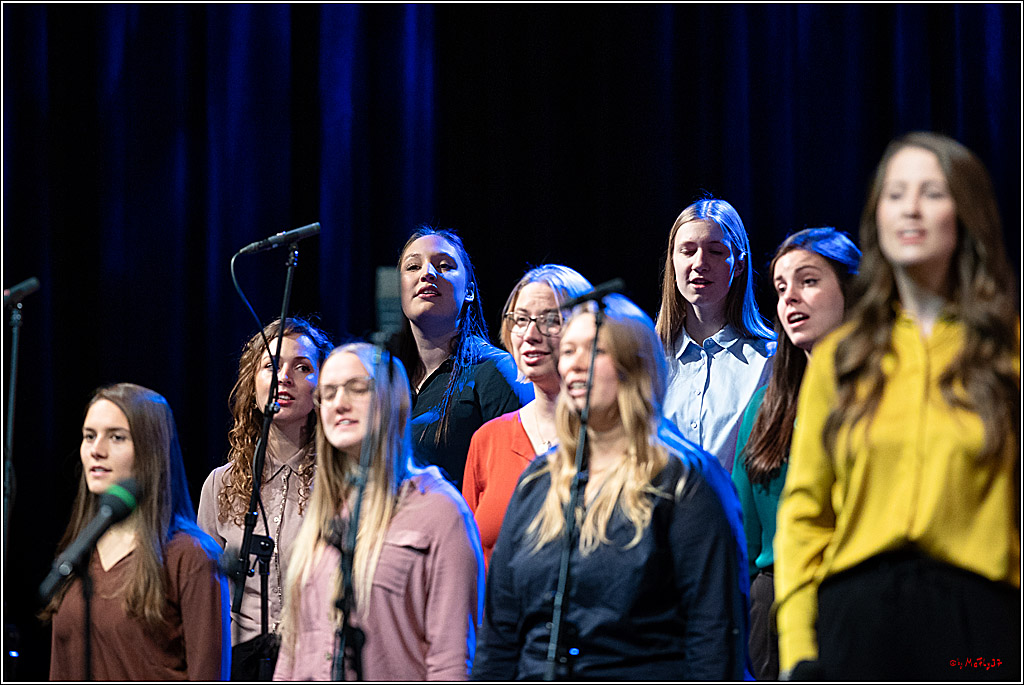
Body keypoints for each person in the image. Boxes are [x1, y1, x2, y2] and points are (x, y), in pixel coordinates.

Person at [775, 132, 1020, 681]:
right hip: (856, 624)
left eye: (931, 192)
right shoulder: (843, 358)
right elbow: (804, 514)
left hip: (977, 630)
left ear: (966, 211)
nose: (910, 207)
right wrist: (797, 647)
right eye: (895, 193)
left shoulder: (1008, 351)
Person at [473, 295, 749, 680]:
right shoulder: (538, 483)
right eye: (568, 350)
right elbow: (499, 634)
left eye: (594, 350)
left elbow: (714, 636)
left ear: (634, 365)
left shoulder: (684, 481)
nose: (574, 364)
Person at [273, 343, 484, 681]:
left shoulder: (440, 512)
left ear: (392, 399)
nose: (340, 403)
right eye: (327, 394)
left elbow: (451, 662)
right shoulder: (325, 514)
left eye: (357, 388)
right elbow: (293, 653)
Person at [731, 228, 860, 680]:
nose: (790, 299)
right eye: (781, 287)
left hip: (866, 598)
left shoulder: (892, 395)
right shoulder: (766, 406)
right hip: (776, 606)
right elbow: (742, 532)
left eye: (808, 281)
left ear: (853, 290)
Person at [43, 383, 230, 680]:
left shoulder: (191, 556)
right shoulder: (79, 552)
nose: (96, 450)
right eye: (89, 436)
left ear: (150, 449)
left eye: (116, 437)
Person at [198, 316, 333, 678]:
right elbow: (204, 599)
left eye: (302, 366)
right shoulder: (218, 485)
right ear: (252, 382)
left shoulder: (340, 485)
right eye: (271, 366)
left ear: (323, 386)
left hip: (315, 664)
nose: (283, 377)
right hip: (238, 664)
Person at [462, 264, 593, 568]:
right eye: (520, 320)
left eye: (550, 320)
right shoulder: (488, 440)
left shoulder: (607, 438)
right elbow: (469, 560)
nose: (530, 335)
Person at [394, 225, 532, 489]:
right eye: (413, 267)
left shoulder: (495, 370)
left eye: (444, 265)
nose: (427, 273)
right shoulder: (390, 378)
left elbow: (520, 481)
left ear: (469, 290)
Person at [657, 197, 776, 473]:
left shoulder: (769, 360)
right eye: (687, 251)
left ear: (739, 263)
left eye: (715, 251)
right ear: (672, 263)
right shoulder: (650, 360)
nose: (700, 263)